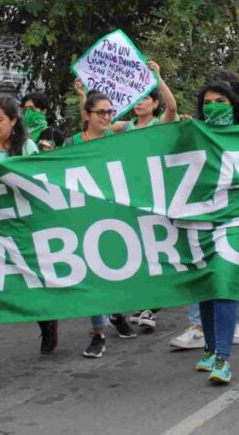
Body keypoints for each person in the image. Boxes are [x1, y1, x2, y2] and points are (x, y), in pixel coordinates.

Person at [0, 96, 58, 372]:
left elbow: (38, 185)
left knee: (28, 282)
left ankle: (47, 321)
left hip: (20, 229)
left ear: (13, 121)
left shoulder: (26, 147)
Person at [67, 88, 138, 357]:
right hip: (84, 218)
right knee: (93, 274)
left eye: (110, 112)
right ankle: (98, 333)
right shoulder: (73, 143)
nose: (107, 116)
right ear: (87, 115)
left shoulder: (117, 141)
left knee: (115, 273)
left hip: (114, 217)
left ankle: (117, 313)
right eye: (101, 112)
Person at [192, 78, 239, 384]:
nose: (214, 107)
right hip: (202, 220)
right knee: (207, 286)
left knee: (226, 283)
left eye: (221, 101)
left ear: (234, 104)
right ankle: (210, 347)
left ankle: (223, 359)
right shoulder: (194, 136)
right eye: (208, 103)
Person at [114, 61, 179, 131]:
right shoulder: (124, 127)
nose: (139, 103)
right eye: (136, 98)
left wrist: (158, 78)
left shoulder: (159, 125)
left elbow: (172, 108)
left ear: (155, 103)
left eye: (145, 98)